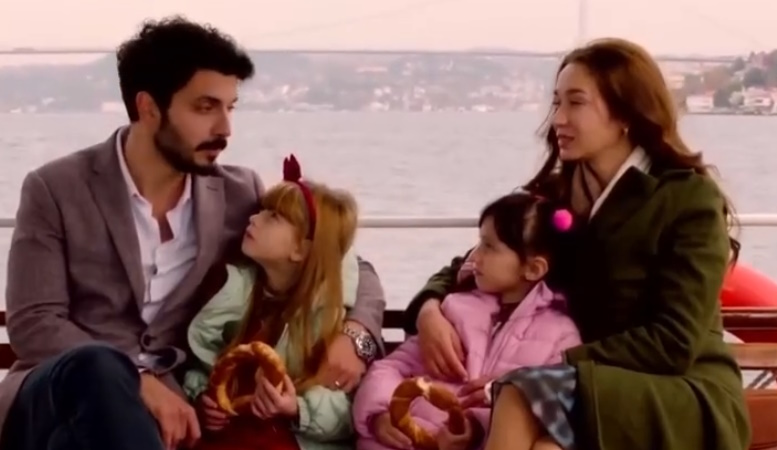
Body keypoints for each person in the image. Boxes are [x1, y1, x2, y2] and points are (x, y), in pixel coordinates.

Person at [0, 17, 385, 450]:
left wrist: (356, 334)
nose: (225, 129)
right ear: (148, 108)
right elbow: (34, 322)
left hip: (171, 413)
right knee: (98, 368)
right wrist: (136, 379)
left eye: (230, 107)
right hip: (60, 395)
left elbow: (342, 261)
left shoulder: (239, 193)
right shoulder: (56, 189)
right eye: (205, 108)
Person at [403, 38, 750, 450]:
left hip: (679, 391)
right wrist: (429, 310)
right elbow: (481, 260)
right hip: (580, 387)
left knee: (517, 392)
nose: (558, 119)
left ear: (625, 113)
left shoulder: (686, 198)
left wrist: (555, 364)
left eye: (576, 103)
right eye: (556, 103)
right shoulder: (553, 198)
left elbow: (674, 342)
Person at [354, 193, 582, 450]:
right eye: (479, 243)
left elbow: (550, 417)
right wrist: (378, 415)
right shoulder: (455, 308)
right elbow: (392, 367)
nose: (475, 257)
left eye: (489, 247)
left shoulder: (561, 337)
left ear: (533, 269)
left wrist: (475, 428)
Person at [186, 155, 366, 450]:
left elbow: (350, 410)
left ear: (300, 250)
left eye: (273, 217)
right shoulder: (234, 294)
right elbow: (204, 367)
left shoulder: (326, 320)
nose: (254, 219)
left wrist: (296, 409)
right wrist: (202, 398)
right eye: (261, 211)